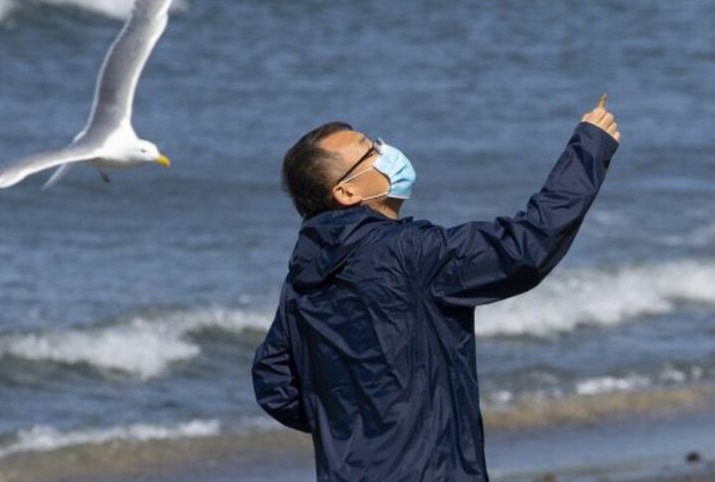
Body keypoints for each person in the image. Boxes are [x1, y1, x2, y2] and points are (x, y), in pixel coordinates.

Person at [251, 96, 620, 481]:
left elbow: (273, 380)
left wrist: (357, 427)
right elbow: (526, 246)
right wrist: (589, 147)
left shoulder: (303, 272)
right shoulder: (410, 252)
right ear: (346, 193)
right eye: (369, 150)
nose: (383, 149)